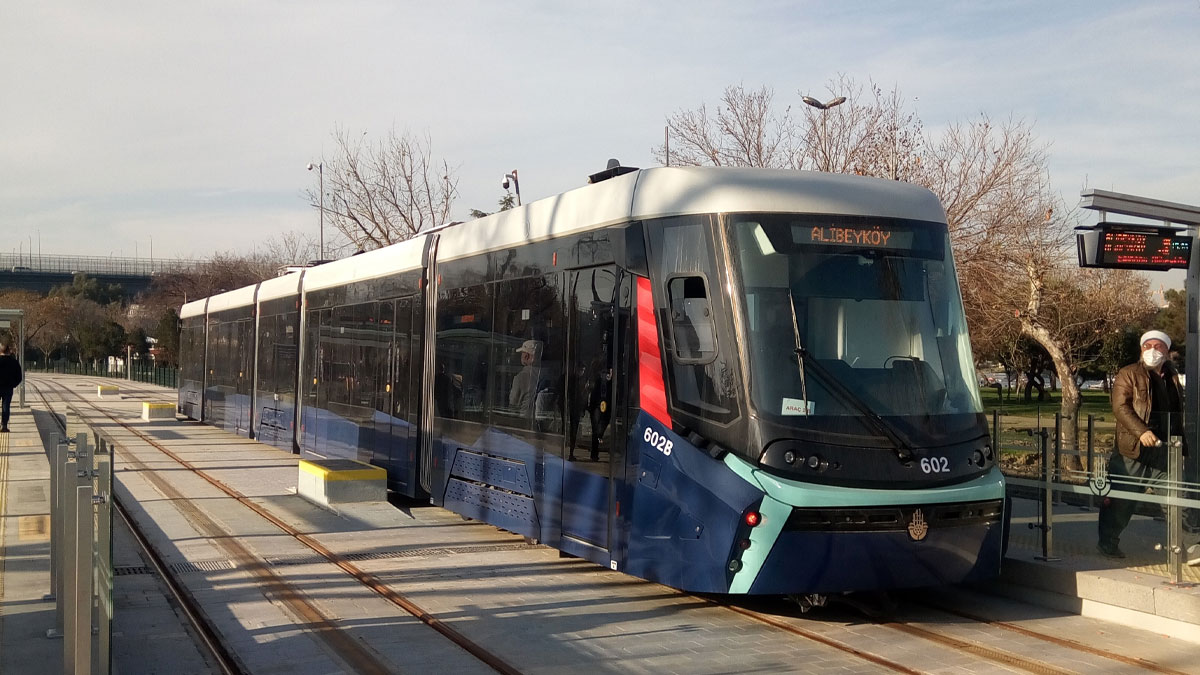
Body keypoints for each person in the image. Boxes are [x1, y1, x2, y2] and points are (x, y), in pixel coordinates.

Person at [1098, 330, 1199, 563]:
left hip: (1165, 451)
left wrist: (1180, 443)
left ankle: (1191, 546)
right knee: (1122, 502)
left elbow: (1176, 412)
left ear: (1167, 350)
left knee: (1177, 500)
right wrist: (1142, 431)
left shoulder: (1172, 377)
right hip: (1134, 451)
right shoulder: (1128, 374)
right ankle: (1107, 542)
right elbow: (1120, 407)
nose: (1153, 350)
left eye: (1159, 346)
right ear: (1141, 349)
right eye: (1148, 345)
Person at [509, 339, 544, 418]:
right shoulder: (543, 374)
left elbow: (513, 404)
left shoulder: (521, 377)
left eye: (522, 353)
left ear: (526, 356)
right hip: (539, 421)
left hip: (522, 421)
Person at [0, 344, 22, 433]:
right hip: (8, 388)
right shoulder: (14, 362)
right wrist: (13, 384)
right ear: (9, 351)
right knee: (6, 406)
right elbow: (19, 377)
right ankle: (4, 425)